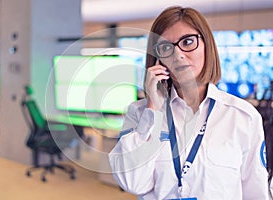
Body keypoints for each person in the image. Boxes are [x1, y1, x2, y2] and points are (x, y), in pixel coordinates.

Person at [108, 6, 270, 200]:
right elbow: (132, 183)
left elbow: (256, 193)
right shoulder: (139, 112)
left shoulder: (243, 116)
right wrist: (153, 109)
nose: (178, 55)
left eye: (188, 41)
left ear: (206, 44)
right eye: (166, 47)